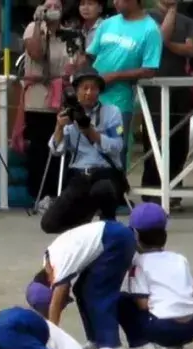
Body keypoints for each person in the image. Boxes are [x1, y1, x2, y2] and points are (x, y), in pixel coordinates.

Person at [40, 67, 126, 234]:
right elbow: (56, 151)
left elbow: (118, 146)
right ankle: (85, 226)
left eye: (93, 88)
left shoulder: (112, 112)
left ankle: (108, 223)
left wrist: (93, 134)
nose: (88, 93)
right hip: (79, 175)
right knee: (49, 224)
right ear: (76, 91)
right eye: (84, 88)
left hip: (105, 172)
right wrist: (59, 127)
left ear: (99, 91)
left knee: (102, 189)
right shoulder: (69, 114)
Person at [35, 219, 137, 349]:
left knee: (97, 291)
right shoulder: (50, 258)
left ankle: (111, 345)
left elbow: (57, 299)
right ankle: (96, 340)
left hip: (114, 240)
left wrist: (52, 337)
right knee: (81, 289)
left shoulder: (57, 265)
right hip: (111, 235)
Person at [119, 203, 193, 349]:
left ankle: (139, 344)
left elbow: (143, 305)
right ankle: (172, 344)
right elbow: (192, 292)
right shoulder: (179, 258)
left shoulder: (138, 263)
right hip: (192, 328)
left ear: (135, 235)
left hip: (163, 327)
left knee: (121, 299)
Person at [84, 0, 162, 160]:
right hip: (91, 97)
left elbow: (150, 70)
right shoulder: (107, 24)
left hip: (120, 101)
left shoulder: (151, 29)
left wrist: (115, 76)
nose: (116, 2)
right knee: (86, 146)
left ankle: (116, 183)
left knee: (116, 147)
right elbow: (90, 55)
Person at [140, 0, 193, 211]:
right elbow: (160, 37)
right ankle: (152, 188)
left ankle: (174, 188)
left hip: (180, 84)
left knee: (179, 137)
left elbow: (191, 50)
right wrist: (171, 12)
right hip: (155, 84)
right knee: (155, 137)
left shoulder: (188, 21)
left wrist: (170, 46)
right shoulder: (147, 17)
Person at [20, 0, 71, 208]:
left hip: (61, 97)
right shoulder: (34, 28)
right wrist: (40, 24)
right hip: (39, 98)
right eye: (49, 5)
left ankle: (59, 191)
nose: (53, 10)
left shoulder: (68, 33)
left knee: (61, 145)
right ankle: (40, 194)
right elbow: (36, 53)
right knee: (40, 147)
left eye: (57, 6)